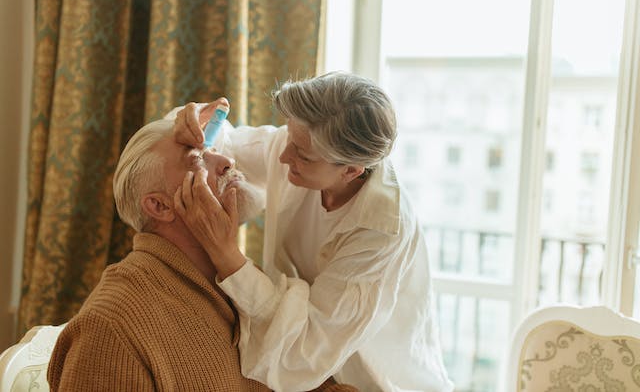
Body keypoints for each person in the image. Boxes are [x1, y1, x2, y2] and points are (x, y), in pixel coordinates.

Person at [171, 72, 454, 392]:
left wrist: (225, 254)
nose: (283, 156)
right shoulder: (296, 145)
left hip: (371, 380)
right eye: (290, 137)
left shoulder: (380, 231)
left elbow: (306, 350)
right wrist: (192, 122)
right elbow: (226, 143)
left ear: (351, 170)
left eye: (302, 155)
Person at [47, 118, 357, 392]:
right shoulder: (112, 328)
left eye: (215, 151)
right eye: (198, 158)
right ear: (160, 206)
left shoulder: (241, 283)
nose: (227, 161)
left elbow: (307, 381)